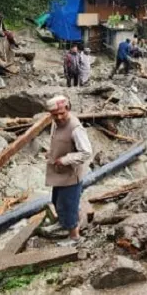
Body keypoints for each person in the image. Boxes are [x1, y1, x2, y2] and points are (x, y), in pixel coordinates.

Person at [43, 95, 92, 244]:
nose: (59, 117)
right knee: (57, 201)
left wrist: (65, 160)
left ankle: (74, 237)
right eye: (55, 114)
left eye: (62, 113)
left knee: (69, 205)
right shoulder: (55, 123)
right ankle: (62, 224)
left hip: (70, 175)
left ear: (68, 109)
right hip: (59, 173)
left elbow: (86, 152)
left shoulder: (75, 128)